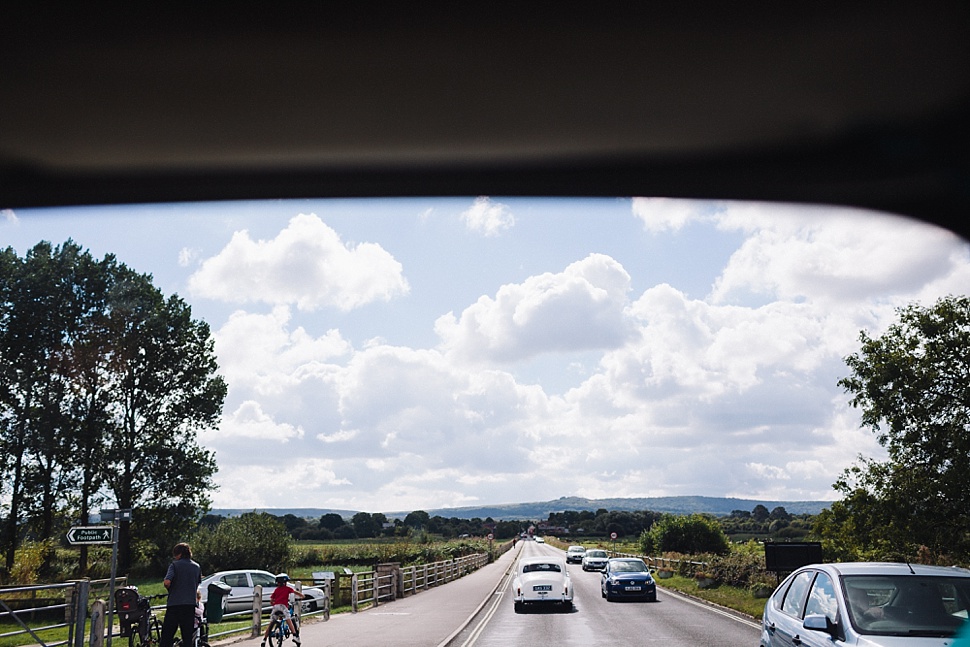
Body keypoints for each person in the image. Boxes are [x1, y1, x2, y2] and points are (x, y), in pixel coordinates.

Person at [160, 543, 202, 647]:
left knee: (167, 635)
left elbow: (167, 582)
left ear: (179, 554)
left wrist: (170, 589)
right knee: (187, 636)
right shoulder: (197, 567)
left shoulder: (174, 565)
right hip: (189, 605)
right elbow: (197, 583)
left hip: (174, 604)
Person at [261, 573, 304, 646]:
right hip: (283, 606)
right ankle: (294, 636)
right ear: (285, 582)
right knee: (288, 620)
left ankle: (264, 640)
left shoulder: (276, 590)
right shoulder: (287, 588)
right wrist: (301, 595)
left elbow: (271, 600)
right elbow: (294, 592)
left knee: (271, 623)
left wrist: (274, 604)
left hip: (275, 607)